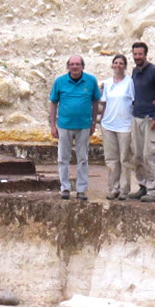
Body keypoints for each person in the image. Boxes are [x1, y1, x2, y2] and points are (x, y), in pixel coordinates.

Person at [49, 52, 102, 201]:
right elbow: (53, 103)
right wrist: (53, 125)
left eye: (77, 64)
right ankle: (65, 188)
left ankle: (81, 189)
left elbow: (95, 102)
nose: (74, 67)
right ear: (68, 67)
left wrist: (93, 123)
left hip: (84, 126)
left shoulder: (91, 81)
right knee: (63, 158)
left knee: (83, 158)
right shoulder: (60, 82)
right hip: (64, 126)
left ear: (82, 66)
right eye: (72, 64)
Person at [129, 40, 155, 202]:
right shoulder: (134, 72)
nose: (137, 57)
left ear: (145, 55)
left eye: (140, 54)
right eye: (135, 54)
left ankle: (153, 190)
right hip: (136, 118)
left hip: (150, 119)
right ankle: (142, 186)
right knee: (137, 155)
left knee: (149, 155)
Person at [99, 52, 134, 202]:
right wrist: (101, 120)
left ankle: (125, 190)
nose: (118, 66)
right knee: (111, 159)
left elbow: (133, 102)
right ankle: (114, 188)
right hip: (108, 125)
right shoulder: (107, 84)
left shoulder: (130, 82)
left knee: (125, 159)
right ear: (112, 65)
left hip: (124, 125)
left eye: (121, 63)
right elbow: (104, 103)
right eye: (116, 63)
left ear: (125, 66)